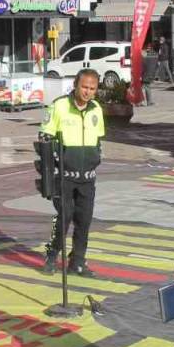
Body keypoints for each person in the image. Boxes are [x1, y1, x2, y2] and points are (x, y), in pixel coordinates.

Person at [40, 69, 106, 277]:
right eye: (84, 87)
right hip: (64, 177)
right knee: (65, 216)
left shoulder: (96, 110)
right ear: (76, 85)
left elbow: (98, 140)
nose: (87, 92)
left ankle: (77, 261)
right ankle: (52, 253)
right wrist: (51, 172)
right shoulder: (59, 106)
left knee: (84, 220)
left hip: (87, 178)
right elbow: (45, 138)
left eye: (92, 88)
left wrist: (96, 159)